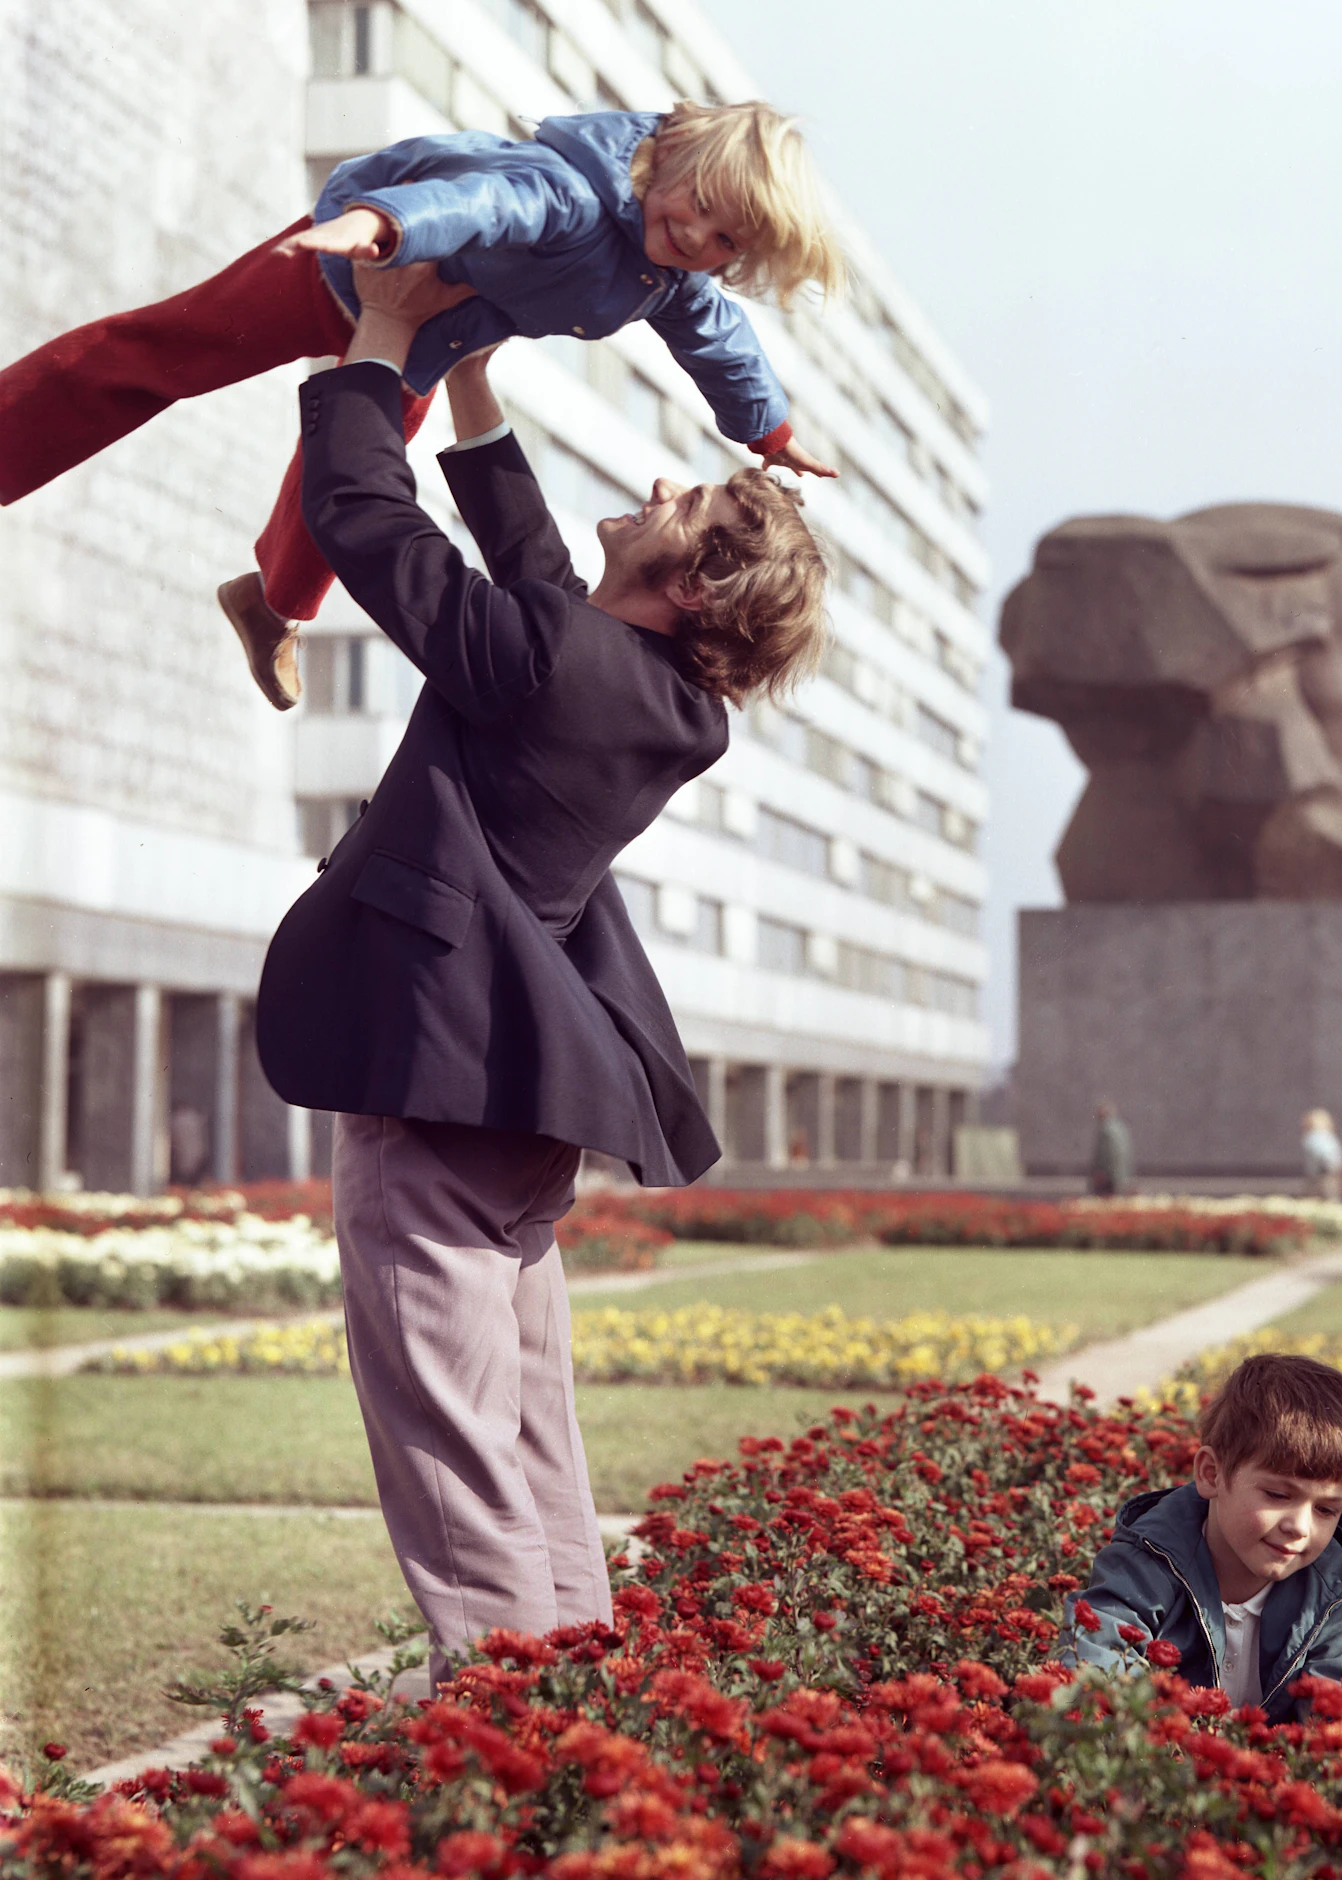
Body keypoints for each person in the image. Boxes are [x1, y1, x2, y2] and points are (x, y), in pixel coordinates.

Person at [253, 254, 826, 1690]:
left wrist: (378, 350)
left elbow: (369, 527)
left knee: (455, 1453)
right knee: (522, 1429)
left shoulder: (557, 667)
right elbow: (539, 586)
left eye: (687, 503)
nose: (657, 485)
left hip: (440, 1087)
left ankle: (516, 1749)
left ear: (694, 579)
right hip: (518, 1108)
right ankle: (582, 1711)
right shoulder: (661, 701)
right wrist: (473, 378)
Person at [0, 100, 840, 709]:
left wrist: (769, 429)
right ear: (674, 158)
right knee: (161, 353)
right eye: (698, 208)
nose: (697, 238)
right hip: (353, 270)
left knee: (349, 485)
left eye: (725, 240)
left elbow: (718, 340)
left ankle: (272, 606)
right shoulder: (570, 193)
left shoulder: (673, 279)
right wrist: (382, 225)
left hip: (421, 340)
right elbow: (479, 201)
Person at [1061, 1354, 1342, 1721]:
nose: (1300, 1526)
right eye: (1278, 1495)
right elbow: (1093, 1675)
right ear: (1211, 1474)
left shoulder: (1333, 1596)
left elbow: (1338, 1714)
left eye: (1326, 1510)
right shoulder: (1144, 1566)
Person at [1089, 1100, 1133, 1197]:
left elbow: (1104, 1153)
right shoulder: (1121, 1127)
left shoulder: (1105, 1129)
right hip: (1122, 1171)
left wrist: (1100, 1170)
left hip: (1109, 1173)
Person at [1300, 1108, 1342, 1200]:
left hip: (1319, 1175)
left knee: (1314, 1202)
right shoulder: (1330, 1137)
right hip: (1331, 1174)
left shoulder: (1312, 1137)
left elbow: (1322, 1155)